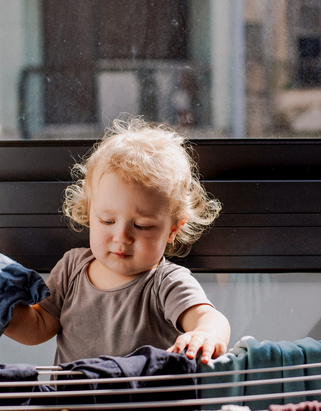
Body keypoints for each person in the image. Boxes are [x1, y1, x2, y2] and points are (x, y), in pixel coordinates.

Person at [4, 117, 230, 365]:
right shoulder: (71, 268)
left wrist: (206, 334)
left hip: (137, 402)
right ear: (89, 214)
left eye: (142, 226)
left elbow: (207, 317)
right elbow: (38, 327)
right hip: (71, 403)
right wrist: (5, 307)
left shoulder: (166, 283)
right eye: (107, 221)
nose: (122, 237)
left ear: (172, 230)